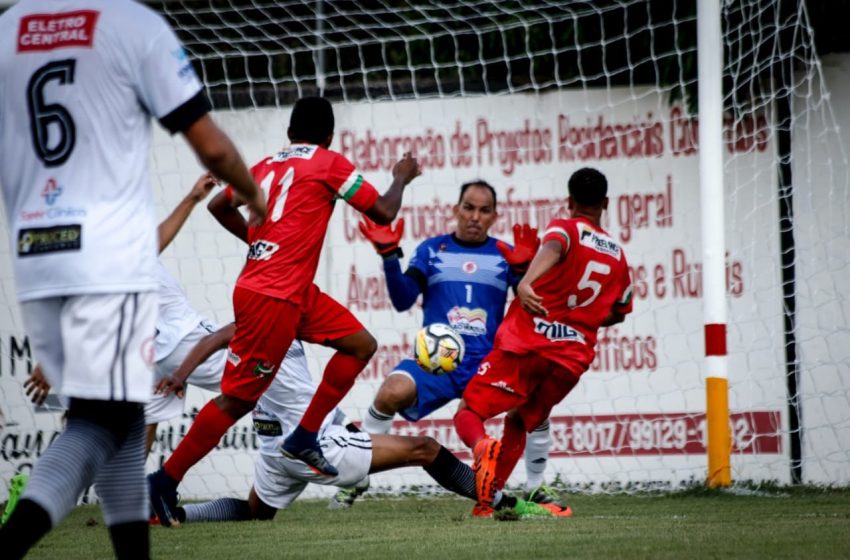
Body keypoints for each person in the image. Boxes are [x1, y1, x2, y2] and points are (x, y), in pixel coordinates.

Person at [0, 0, 265, 557]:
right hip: (107, 252)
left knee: (117, 425)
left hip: (39, 247)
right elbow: (212, 145)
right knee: (98, 429)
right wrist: (253, 192)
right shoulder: (129, 23)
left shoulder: (9, 27)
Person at [148, 97, 421, 527]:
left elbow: (219, 206)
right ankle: (163, 483)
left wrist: (259, 245)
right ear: (330, 136)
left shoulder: (266, 165)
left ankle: (305, 437)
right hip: (274, 295)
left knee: (360, 344)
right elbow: (383, 211)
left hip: (289, 289)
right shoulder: (329, 162)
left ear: (290, 133)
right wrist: (400, 178)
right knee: (238, 399)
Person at [157, 324, 565, 523]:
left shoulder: (262, 322)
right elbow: (356, 344)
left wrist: (183, 373)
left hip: (274, 447)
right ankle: (505, 503)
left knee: (254, 512)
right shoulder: (281, 315)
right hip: (310, 447)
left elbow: (217, 341)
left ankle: (173, 516)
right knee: (426, 449)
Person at [346, 180, 563, 513]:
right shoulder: (432, 250)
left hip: (488, 362)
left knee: (533, 403)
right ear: (455, 210)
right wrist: (390, 257)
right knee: (391, 392)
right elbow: (403, 300)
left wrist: (521, 271)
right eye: (469, 208)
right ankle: (356, 474)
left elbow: (529, 305)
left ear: (494, 216)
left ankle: (535, 487)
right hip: (437, 363)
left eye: (484, 210)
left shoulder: (504, 254)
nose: (475, 217)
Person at [453, 168, 633, 509]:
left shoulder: (565, 228)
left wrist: (526, 282)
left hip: (528, 344)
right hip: (571, 360)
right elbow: (619, 310)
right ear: (605, 203)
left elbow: (553, 246)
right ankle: (487, 501)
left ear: (570, 201)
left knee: (469, 412)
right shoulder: (617, 255)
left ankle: (480, 448)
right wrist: (582, 320)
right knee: (519, 420)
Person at [21, 174, 227, 456]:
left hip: (149, 350)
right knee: (262, 374)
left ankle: (118, 492)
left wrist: (192, 197)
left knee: (146, 421)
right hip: (181, 340)